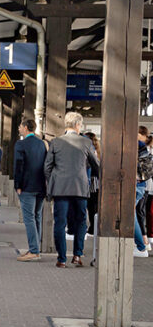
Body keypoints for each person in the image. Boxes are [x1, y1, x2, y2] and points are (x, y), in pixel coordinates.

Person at [45, 112, 100, 267]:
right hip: (80, 188)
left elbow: (47, 167)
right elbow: (96, 165)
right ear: (78, 125)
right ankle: (77, 255)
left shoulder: (56, 142)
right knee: (81, 221)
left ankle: (61, 259)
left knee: (60, 223)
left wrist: (53, 181)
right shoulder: (86, 142)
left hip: (60, 189)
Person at [14, 119, 46, 261]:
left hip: (26, 186)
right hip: (40, 186)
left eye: (20, 127)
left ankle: (34, 251)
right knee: (37, 216)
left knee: (29, 219)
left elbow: (19, 166)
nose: (19, 129)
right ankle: (36, 249)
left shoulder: (20, 144)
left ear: (26, 128)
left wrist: (18, 185)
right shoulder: (42, 144)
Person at [135, 128, 151, 258]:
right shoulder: (142, 147)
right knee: (135, 213)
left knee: (131, 213)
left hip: (135, 185)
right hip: (141, 185)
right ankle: (141, 245)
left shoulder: (134, 145)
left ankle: (141, 247)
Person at [84, 131, 100, 238]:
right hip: (97, 181)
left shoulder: (91, 151)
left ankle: (92, 228)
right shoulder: (98, 150)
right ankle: (93, 227)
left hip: (92, 180)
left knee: (91, 206)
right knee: (94, 206)